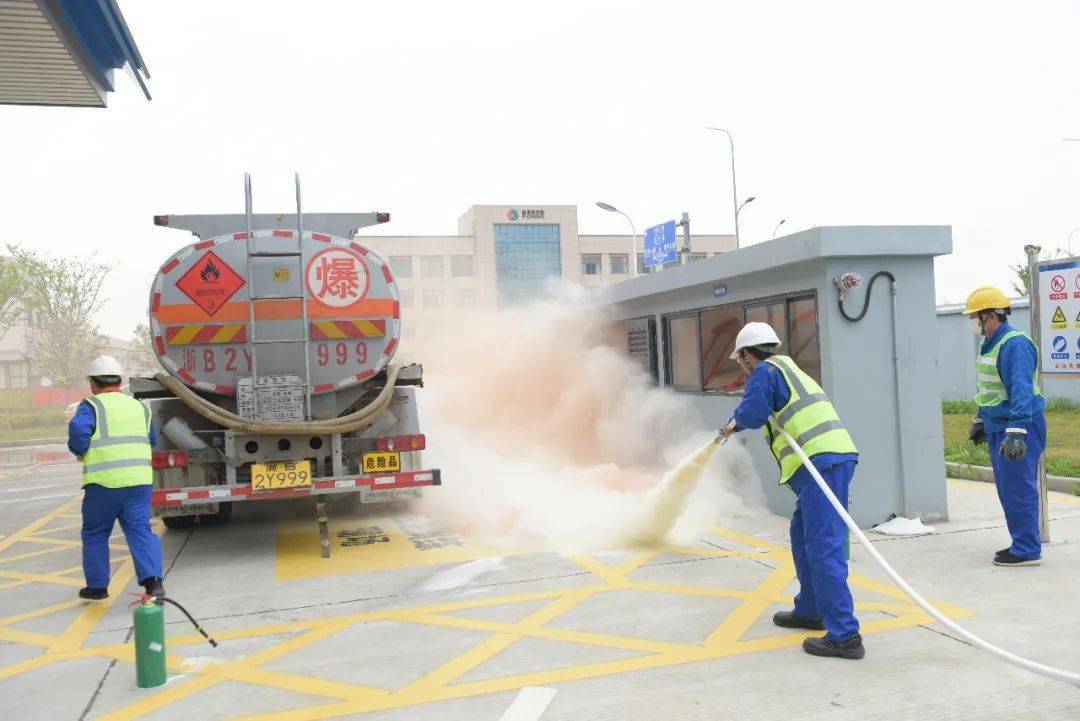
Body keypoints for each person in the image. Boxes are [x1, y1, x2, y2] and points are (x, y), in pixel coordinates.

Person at [719, 322, 863, 659]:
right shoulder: (787, 367)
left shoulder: (765, 372)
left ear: (746, 356)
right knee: (802, 535)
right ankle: (811, 610)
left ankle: (845, 635)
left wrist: (732, 423)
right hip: (828, 461)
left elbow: (753, 414)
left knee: (824, 545)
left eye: (740, 359)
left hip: (822, 465)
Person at [68, 355, 165, 600]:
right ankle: (154, 582)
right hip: (139, 482)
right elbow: (150, 440)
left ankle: (98, 587)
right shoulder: (140, 407)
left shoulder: (91, 406)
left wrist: (80, 451)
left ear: (93, 383)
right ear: (119, 381)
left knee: (96, 533)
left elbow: (79, 433)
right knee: (141, 531)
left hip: (104, 483)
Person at [964, 286, 1046, 567]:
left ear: (990, 315)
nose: (973, 322)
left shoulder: (1014, 345)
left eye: (975, 316)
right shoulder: (990, 343)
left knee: (1018, 489)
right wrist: (980, 418)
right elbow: (991, 388)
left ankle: (1027, 550)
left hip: (1019, 427)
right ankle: (1020, 542)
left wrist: (1017, 432)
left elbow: (1021, 391)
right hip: (998, 424)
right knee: (1008, 489)